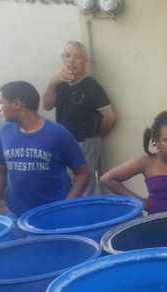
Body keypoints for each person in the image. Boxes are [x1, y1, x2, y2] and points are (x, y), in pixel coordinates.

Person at [0, 81, 90, 216]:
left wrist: (67, 204)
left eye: (1, 102)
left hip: (53, 214)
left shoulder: (57, 134)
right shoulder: (3, 132)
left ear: (17, 104)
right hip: (16, 215)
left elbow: (83, 173)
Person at [43, 41, 117, 196]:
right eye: (67, 56)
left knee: (84, 183)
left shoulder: (90, 85)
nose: (71, 61)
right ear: (62, 58)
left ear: (85, 61)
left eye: (77, 57)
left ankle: (88, 216)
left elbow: (110, 116)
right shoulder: (60, 83)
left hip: (85, 141)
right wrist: (52, 83)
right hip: (64, 142)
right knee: (68, 181)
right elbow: (47, 106)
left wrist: (95, 136)